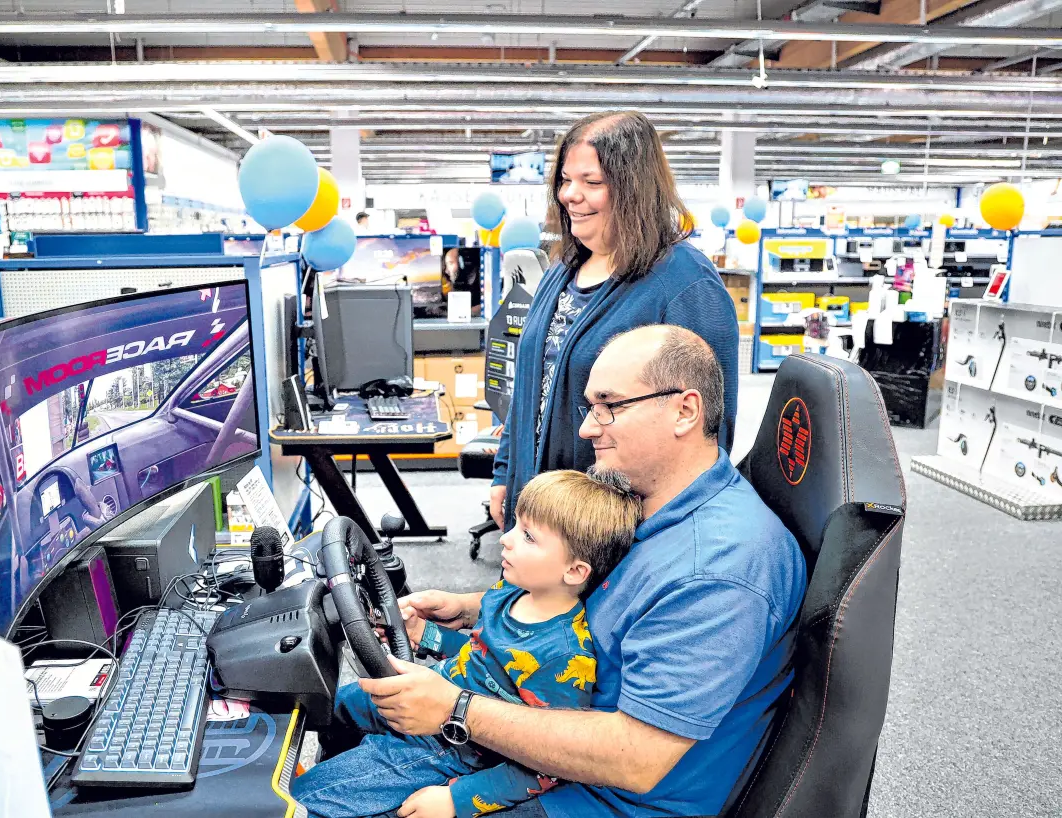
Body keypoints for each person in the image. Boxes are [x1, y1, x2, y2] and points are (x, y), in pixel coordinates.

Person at [360, 326, 806, 818]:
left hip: (598, 798)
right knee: (355, 715)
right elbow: (589, 607)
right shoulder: (647, 504)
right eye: (590, 408)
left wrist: (455, 708)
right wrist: (467, 611)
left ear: (684, 411)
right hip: (549, 740)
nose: (588, 429)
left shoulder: (720, 568)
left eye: (609, 406)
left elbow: (636, 756)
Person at [293, 469, 642, 818]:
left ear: (574, 572)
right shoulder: (512, 591)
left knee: (312, 798)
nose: (506, 539)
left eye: (529, 537)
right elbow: (479, 652)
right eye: (516, 526)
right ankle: (336, 757)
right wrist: (422, 633)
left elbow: (549, 764)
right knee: (333, 704)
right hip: (439, 690)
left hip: (454, 747)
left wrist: (457, 800)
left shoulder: (564, 655)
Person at [489, 111, 739, 532]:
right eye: (565, 181)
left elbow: (707, 433)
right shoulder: (562, 270)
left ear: (634, 189)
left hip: (612, 527)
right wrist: (505, 474)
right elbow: (531, 384)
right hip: (542, 509)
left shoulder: (686, 285)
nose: (570, 195)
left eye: (592, 183)